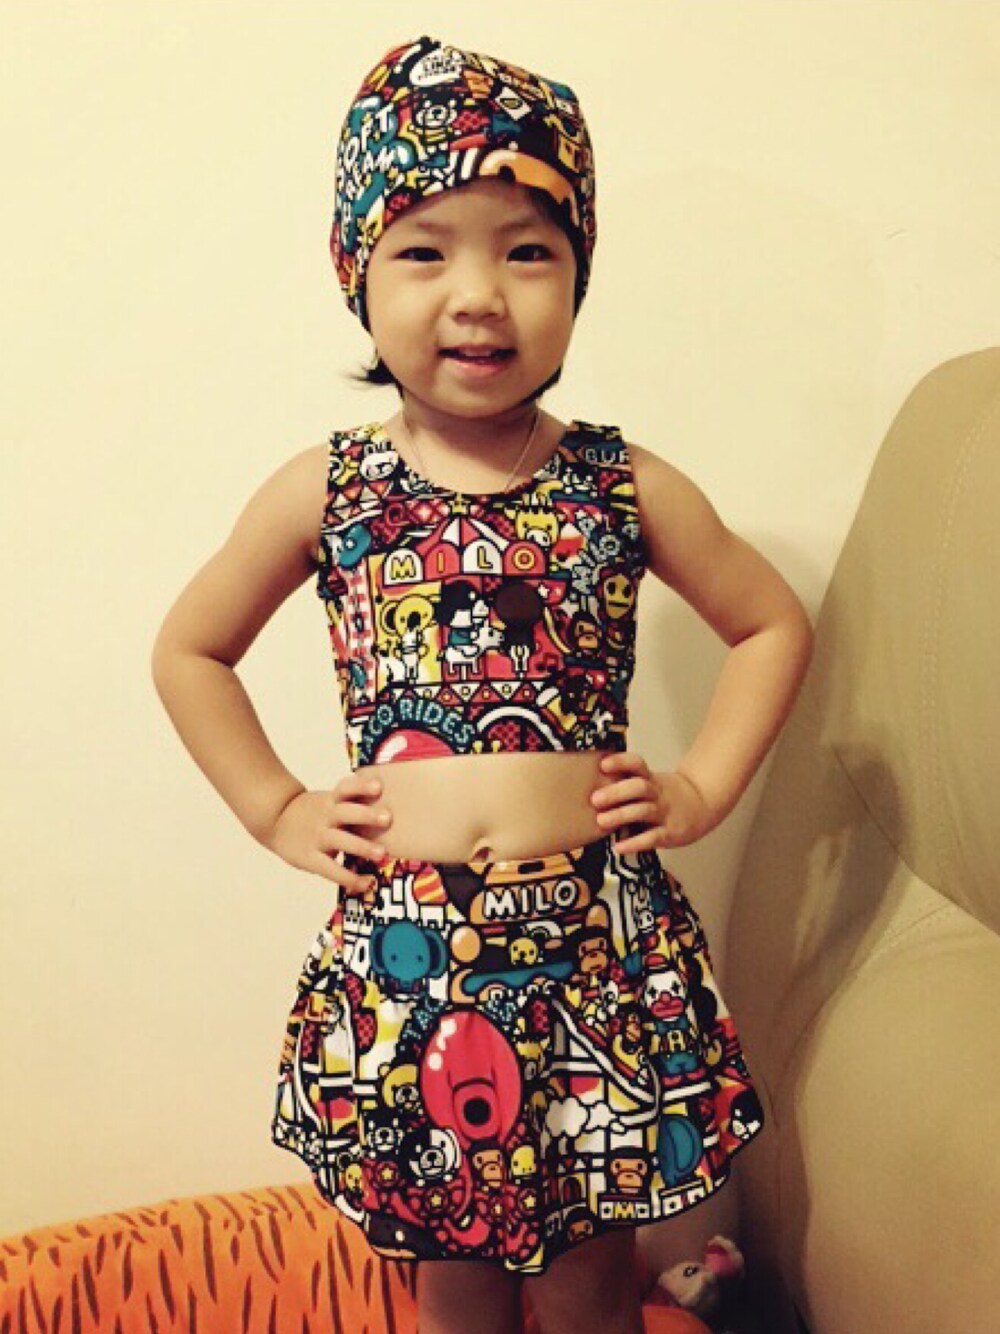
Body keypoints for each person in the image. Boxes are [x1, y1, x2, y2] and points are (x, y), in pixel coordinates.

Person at [151, 34, 814, 1334]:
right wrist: (277, 807)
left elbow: (770, 622)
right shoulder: (328, 489)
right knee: (450, 1272)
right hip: (412, 960)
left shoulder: (621, 482)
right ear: (355, 272)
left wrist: (700, 786)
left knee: (586, 1273)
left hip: (589, 955)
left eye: (527, 250)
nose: (477, 296)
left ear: (578, 275)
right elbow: (190, 648)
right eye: (423, 250)